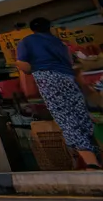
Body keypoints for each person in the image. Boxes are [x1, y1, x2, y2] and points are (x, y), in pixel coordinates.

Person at [15, 18, 101, 168]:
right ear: (49, 28)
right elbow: (70, 64)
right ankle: (96, 157)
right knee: (81, 117)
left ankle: (91, 163)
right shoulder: (59, 42)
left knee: (66, 118)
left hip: (48, 79)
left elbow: (25, 67)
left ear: (32, 29)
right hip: (69, 79)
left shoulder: (27, 41)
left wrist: (19, 64)